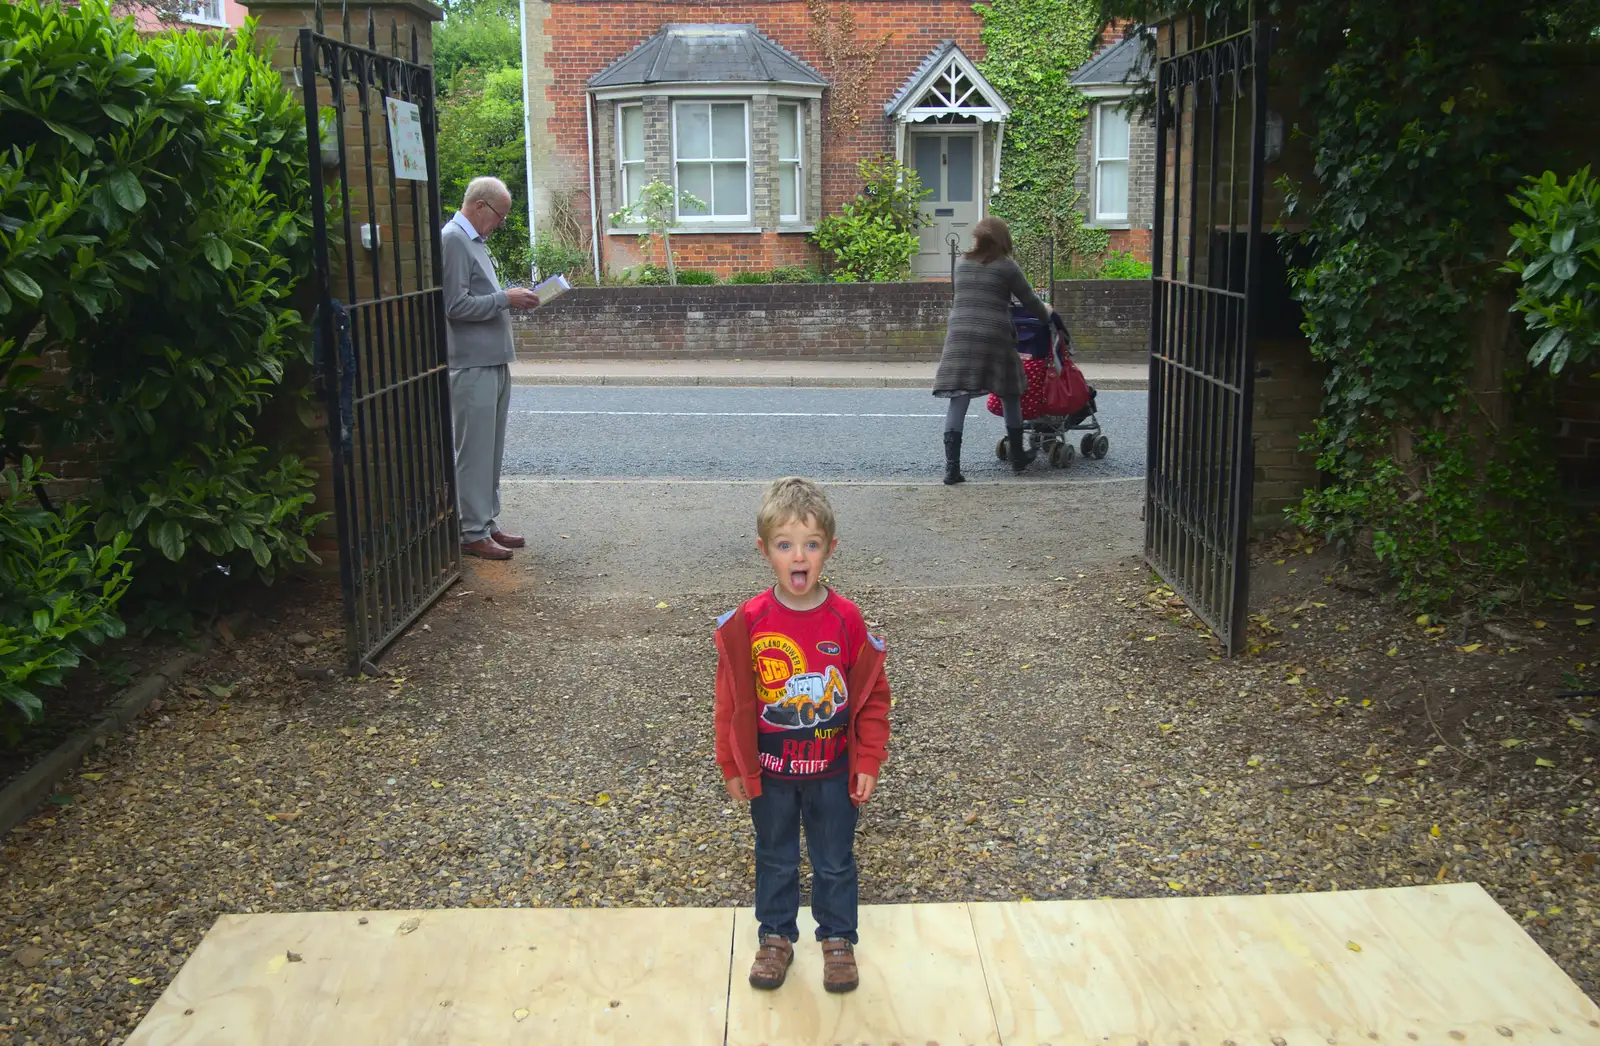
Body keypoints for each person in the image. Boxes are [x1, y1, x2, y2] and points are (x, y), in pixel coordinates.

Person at [712, 477, 892, 995]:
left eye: (811, 544)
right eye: (785, 544)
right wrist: (732, 765)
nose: (799, 556)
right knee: (775, 856)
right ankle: (775, 937)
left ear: (830, 550)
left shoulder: (846, 618)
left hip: (833, 772)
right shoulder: (748, 620)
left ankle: (837, 938)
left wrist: (869, 760)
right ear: (764, 549)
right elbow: (729, 701)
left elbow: (872, 697)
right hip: (771, 774)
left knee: (835, 860)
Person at [441, 176, 540, 560]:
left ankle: (486, 521)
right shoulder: (453, 239)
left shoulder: (473, 242)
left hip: (493, 359)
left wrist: (510, 298)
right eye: (499, 215)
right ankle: (470, 530)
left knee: (492, 449)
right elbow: (455, 305)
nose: (500, 222)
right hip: (471, 362)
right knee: (474, 451)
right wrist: (505, 298)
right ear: (480, 206)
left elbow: (479, 297)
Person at [932, 215, 1062, 484]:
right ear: (1004, 240)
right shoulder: (1007, 267)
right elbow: (1031, 302)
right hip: (994, 334)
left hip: (960, 335)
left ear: (978, 238)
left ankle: (951, 469)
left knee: (960, 396)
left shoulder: (961, 264)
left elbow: (970, 296)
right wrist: (1048, 315)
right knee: (1009, 389)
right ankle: (1017, 457)